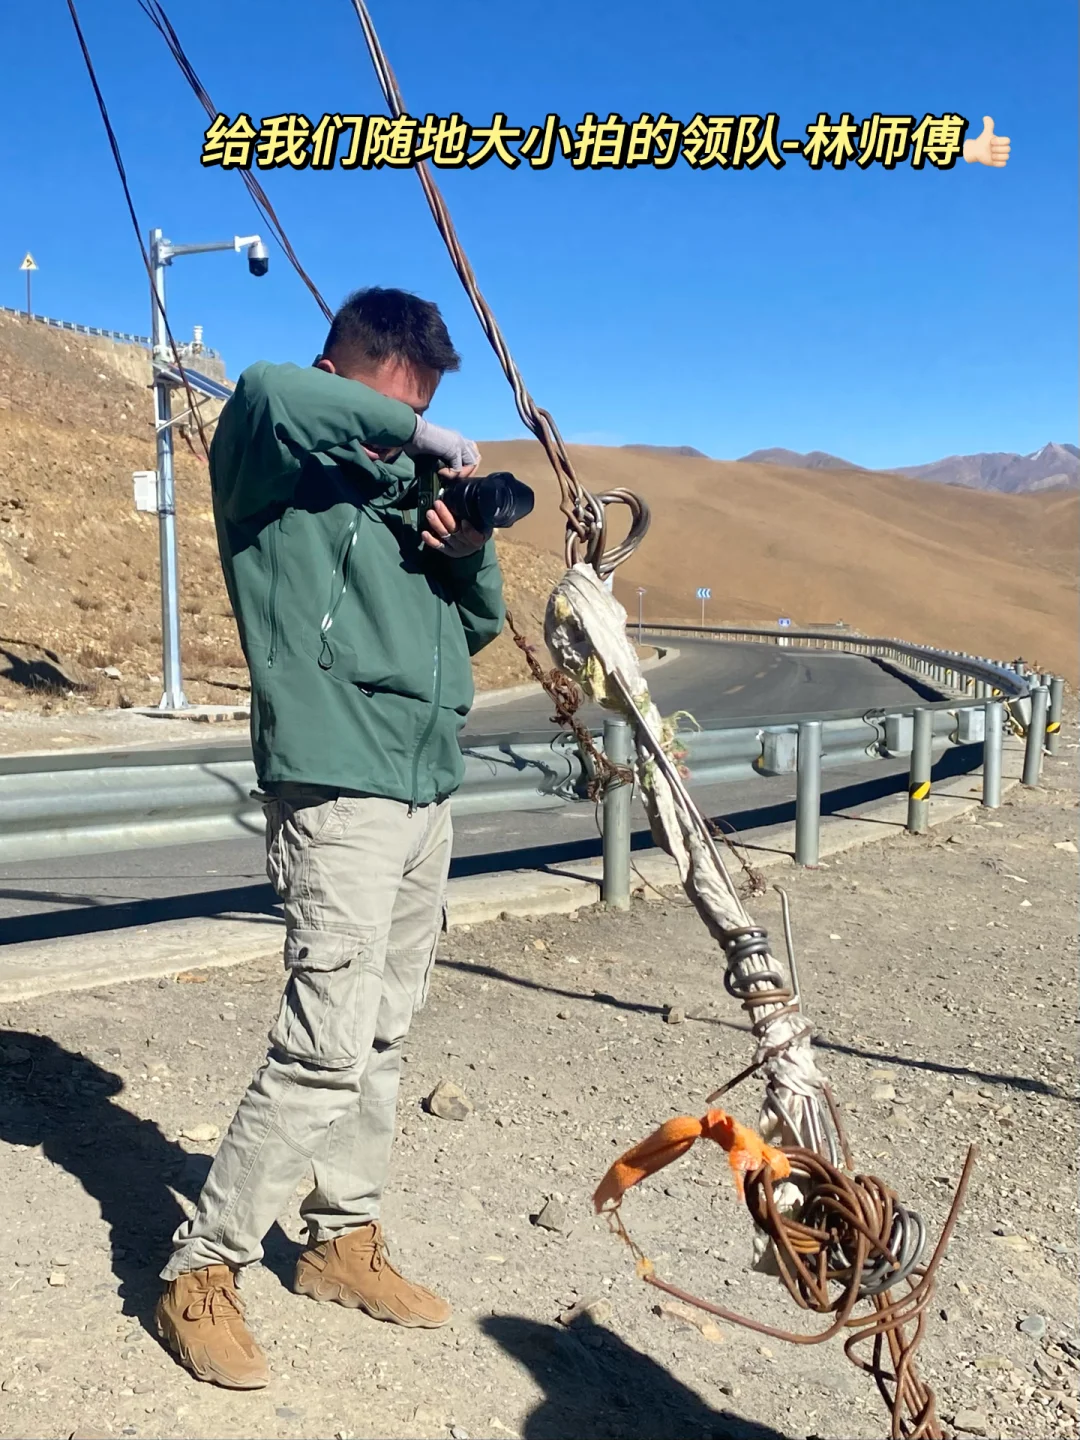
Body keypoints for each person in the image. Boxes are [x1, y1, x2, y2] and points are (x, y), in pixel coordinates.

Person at [155, 287, 505, 1389]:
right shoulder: (274, 459)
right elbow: (264, 391)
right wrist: (410, 434)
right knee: (321, 1045)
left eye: (426, 410)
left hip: (423, 783)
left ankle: (340, 1240)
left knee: (383, 1035)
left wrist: (468, 542)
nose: (409, 430)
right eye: (393, 406)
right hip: (337, 779)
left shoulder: (401, 487)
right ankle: (199, 1271)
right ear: (341, 370)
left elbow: (479, 623)